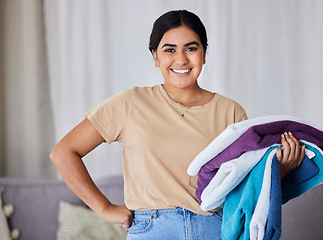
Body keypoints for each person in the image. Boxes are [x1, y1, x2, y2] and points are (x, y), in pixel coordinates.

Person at [50, 10, 305, 239]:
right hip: (152, 229)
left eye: (191, 48)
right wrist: (105, 209)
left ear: (204, 53)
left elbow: (242, 188)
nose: (181, 59)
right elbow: (64, 152)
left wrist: (280, 170)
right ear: (155, 57)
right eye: (169, 50)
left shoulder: (230, 111)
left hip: (214, 228)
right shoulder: (130, 103)